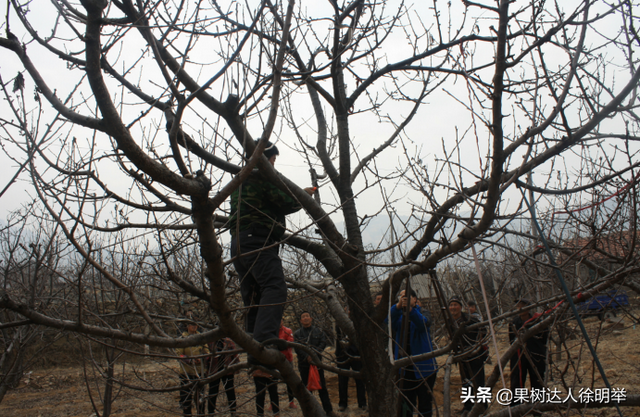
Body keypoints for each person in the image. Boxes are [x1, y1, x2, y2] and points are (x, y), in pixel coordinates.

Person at [229, 140, 315, 364]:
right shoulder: (259, 175)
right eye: (273, 160)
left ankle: (256, 358)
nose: (274, 166)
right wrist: (303, 195)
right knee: (275, 287)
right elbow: (284, 202)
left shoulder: (240, 179)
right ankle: (265, 342)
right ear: (263, 159)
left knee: (254, 298)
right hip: (258, 240)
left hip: (239, 242)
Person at [390, 289, 438, 417]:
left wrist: (410, 311)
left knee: (425, 403)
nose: (403, 299)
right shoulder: (398, 314)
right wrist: (397, 307)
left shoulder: (423, 312)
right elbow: (387, 322)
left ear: (415, 299)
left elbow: (423, 324)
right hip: (404, 369)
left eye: (407, 297)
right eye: (401, 296)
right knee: (405, 403)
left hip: (425, 367)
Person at [448, 297, 487, 417]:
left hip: (475, 355)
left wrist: (478, 347)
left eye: (455, 305)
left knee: (479, 381)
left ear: (460, 307)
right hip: (462, 356)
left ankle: (482, 406)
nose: (453, 307)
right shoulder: (450, 321)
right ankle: (468, 406)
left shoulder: (471, 319)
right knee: (465, 381)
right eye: (451, 305)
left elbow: (483, 331)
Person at [509, 299, 549, 411]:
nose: (521, 309)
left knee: (537, 381)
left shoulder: (537, 321)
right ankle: (516, 408)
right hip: (518, 357)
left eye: (523, 306)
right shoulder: (513, 323)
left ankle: (537, 407)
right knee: (517, 381)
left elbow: (544, 338)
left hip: (536, 355)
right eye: (519, 306)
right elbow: (511, 340)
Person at [294, 311, 335, 416]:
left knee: (322, 387)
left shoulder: (318, 331)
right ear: (301, 320)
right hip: (304, 365)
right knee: (306, 390)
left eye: (307, 316)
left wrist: (314, 355)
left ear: (311, 318)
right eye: (303, 317)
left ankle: (328, 411)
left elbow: (323, 343)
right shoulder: (297, 334)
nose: (306, 318)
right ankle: (308, 411)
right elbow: (297, 348)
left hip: (317, 364)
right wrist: (306, 356)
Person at [336, 310, 367, 412]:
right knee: (342, 380)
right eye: (347, 310)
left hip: (357, 353)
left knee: (360, 379)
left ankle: (362, 403)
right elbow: (338, 338)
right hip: (343, 354)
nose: (349, 312)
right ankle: (343, 403)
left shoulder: (359, 323)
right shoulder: (340, 323)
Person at [176, 322, 209, 416]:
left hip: (200, 372)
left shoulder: (202, 338)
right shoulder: (182, 338)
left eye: (195, 324)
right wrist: (190, 360)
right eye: (191, 324)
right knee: (186, 398)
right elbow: (179, 354)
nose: (194, 326)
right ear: (187, 326)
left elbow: (207, 352)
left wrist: (202, 358)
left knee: (201, 398)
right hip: (187, 372)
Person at [207, 337, 238, 416]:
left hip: (227, 370)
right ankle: (211, 412)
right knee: (213, 392)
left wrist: (236, 367)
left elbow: (235, 354)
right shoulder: (210, 342)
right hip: (214, 370)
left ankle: (233, 411)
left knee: (230, 391)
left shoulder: (228, 341)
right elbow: (206, 356)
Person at [278, 320, 298, 409]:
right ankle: (273, 403)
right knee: (273, 382)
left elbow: (290, 343)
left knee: (290, 381)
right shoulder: (271, 332)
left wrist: (279, 344)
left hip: (287, 359)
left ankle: (291, 401)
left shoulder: (288, 330)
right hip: (275, 360)